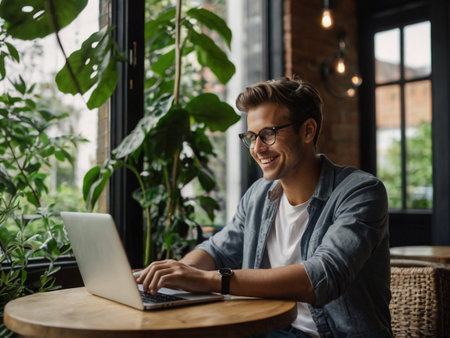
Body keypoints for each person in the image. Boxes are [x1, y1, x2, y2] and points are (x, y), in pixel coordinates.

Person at [136, 76, 392, 337]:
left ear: (308, 130)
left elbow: (324, 276)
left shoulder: (361, 192)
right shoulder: (259, 194)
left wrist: (208, 280)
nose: (257, 148)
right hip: (267, 328)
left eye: (268, 134)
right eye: (251, 137)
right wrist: (175, 276)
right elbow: (217, 251)